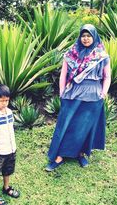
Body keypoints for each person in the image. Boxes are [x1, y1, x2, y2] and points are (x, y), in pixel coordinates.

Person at [45, 24, 111, 172]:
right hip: (73, 92)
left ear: (94, 37)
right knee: (65, 123)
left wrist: (104, 92)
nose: (86, 38)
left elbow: (107, 77)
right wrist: (62, 91)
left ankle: (81, 154)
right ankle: (59, 156)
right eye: (83, 35)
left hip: (93, 95)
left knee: (85, 126)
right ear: (80, 37)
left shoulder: (102, 56)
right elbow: (63, 74)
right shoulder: (71, 54)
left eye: (89, 36)